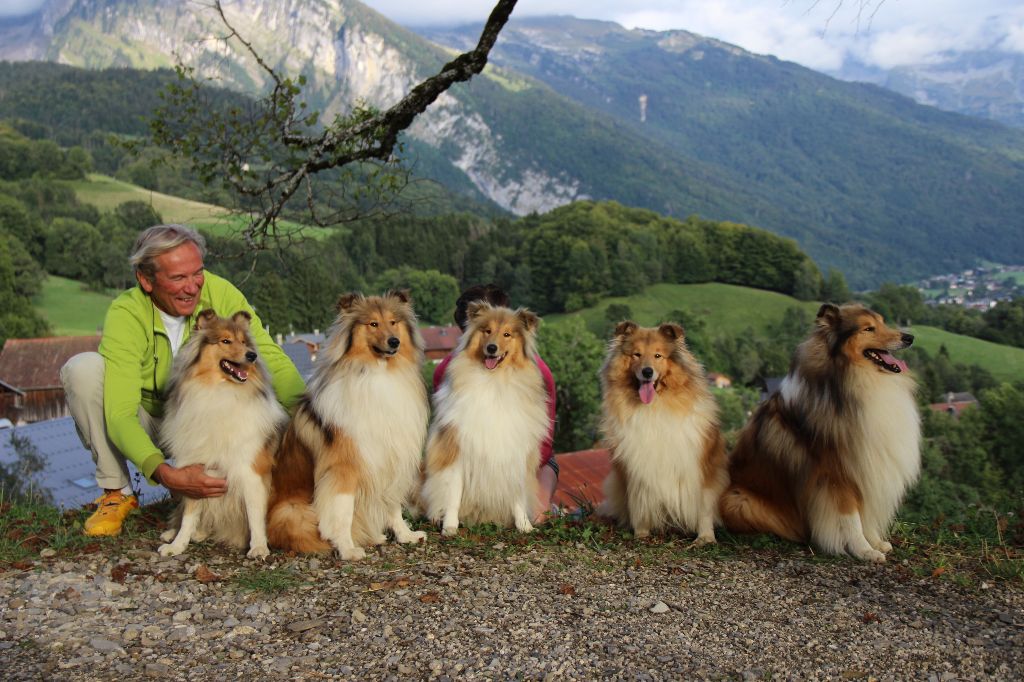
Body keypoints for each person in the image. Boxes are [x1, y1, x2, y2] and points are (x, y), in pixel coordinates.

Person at [61, 224, 306, 536]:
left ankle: (241, 496)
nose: (193, 287)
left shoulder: (222, 293)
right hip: (156, 421)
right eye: (178, 278)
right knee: (84, 369)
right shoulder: (126, 313)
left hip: (212, 422)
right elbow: (120, 414)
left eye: (197, 273)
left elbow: (271, 359)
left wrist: (311, 417)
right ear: (146, 280)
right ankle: (117, 492)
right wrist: (166, 474)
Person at [432, 284, 559, 522]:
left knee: (537, 516)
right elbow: (448, 446)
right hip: (473, 466)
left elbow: (544, 443)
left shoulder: (539, 372)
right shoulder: (446, 370)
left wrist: (510, 470)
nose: (494, 341)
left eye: (504, 331)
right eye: (485, 329)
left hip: (532, 462)